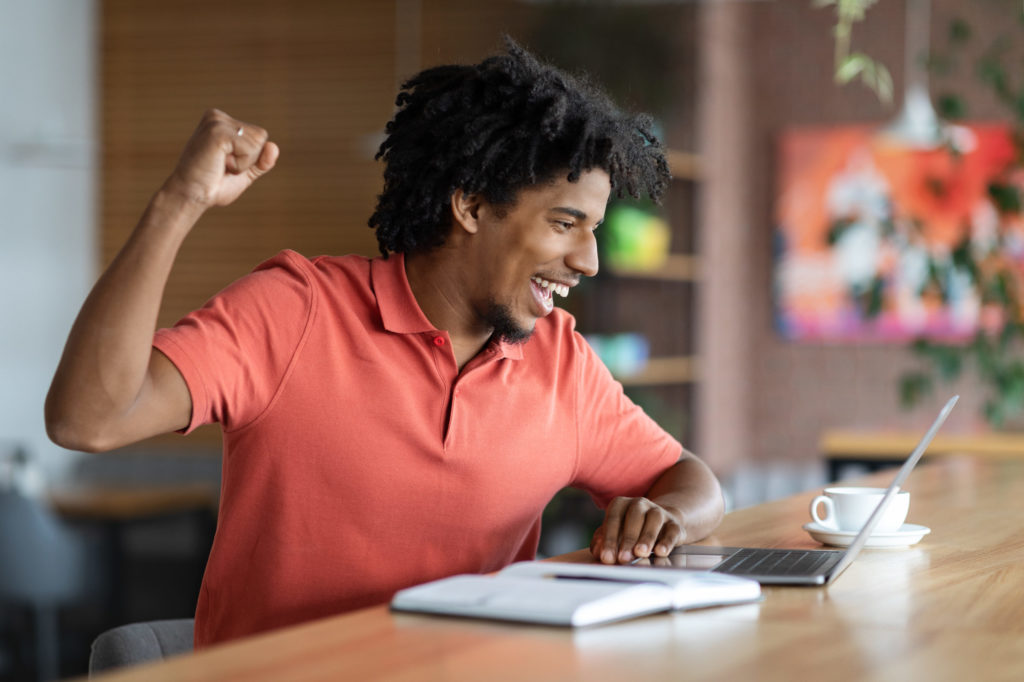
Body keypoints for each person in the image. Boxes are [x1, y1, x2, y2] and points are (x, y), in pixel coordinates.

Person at [45, 41, 724, 646]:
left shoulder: (561, 364)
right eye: (565, 223)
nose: (590, 260)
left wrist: (664, 518)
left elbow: (694, 483)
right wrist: (177, 203)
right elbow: (88, 419)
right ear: (472, 206)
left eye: (594, 229)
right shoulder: (295, 312)